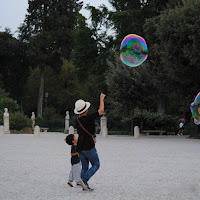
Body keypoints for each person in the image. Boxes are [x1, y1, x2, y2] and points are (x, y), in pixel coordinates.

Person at [74, 93, 106, 191]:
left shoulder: (77, 120)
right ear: (86, 109)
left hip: (80, 145)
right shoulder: (89, 117)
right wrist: (101, 99)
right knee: (96, 164)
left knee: (84, 166)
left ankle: (85, 185)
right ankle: (84, 180)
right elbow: (101, 110)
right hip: (88, 144)